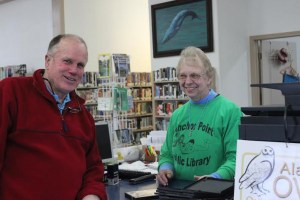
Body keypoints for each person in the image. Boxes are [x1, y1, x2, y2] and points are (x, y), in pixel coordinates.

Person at [0, 34, 107, 200]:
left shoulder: (84, 116)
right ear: (47, 61)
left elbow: (93, 170)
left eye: (80, 65)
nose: (74, 70)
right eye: (67, 61)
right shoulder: (12, 93)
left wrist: (92, 196)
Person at [156, 46, 243, 186]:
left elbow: (236, 158)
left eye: (194, 75)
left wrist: (215, 177)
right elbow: (167, 155)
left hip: (214, 192)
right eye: (183, 76)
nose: (188, 81)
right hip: (177, 191)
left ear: (209, 78)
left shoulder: (230, 111)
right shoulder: (177, 115)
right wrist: (165, 168)